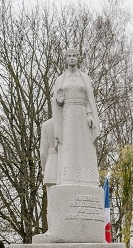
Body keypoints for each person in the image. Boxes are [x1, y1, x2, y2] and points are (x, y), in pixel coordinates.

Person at [51, 47, 100, 185]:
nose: (72, 58)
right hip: (67, 116)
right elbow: (56, 100)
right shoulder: (60, 80)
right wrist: (58, 101)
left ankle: (87, 177)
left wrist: (90, 114)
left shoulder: (85, 78)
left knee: (83, 145)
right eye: (69, 56)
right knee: (68, 146)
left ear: (78, 58)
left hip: (82, 115)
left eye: (74, 56)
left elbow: (89, 98)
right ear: (65, 59)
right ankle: (68, 177)